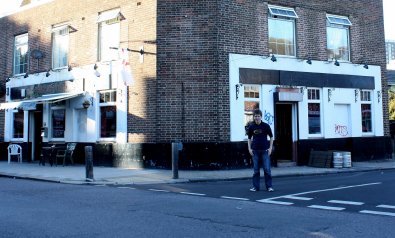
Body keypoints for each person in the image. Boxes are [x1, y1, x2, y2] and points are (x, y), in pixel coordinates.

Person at [247, 109, 274, 192]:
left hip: (265, 151)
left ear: (261, 117)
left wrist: (270, 148)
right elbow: (249, 138)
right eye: (255, 116)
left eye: (258, 116)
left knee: (267, 170)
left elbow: (271, 137)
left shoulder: (266, 126)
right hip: (255, 151)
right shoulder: (251, 126)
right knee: (256, 171)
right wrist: (249, 148)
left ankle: (269, 187)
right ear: (253, 117)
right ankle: (256, 187)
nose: (257, 117)